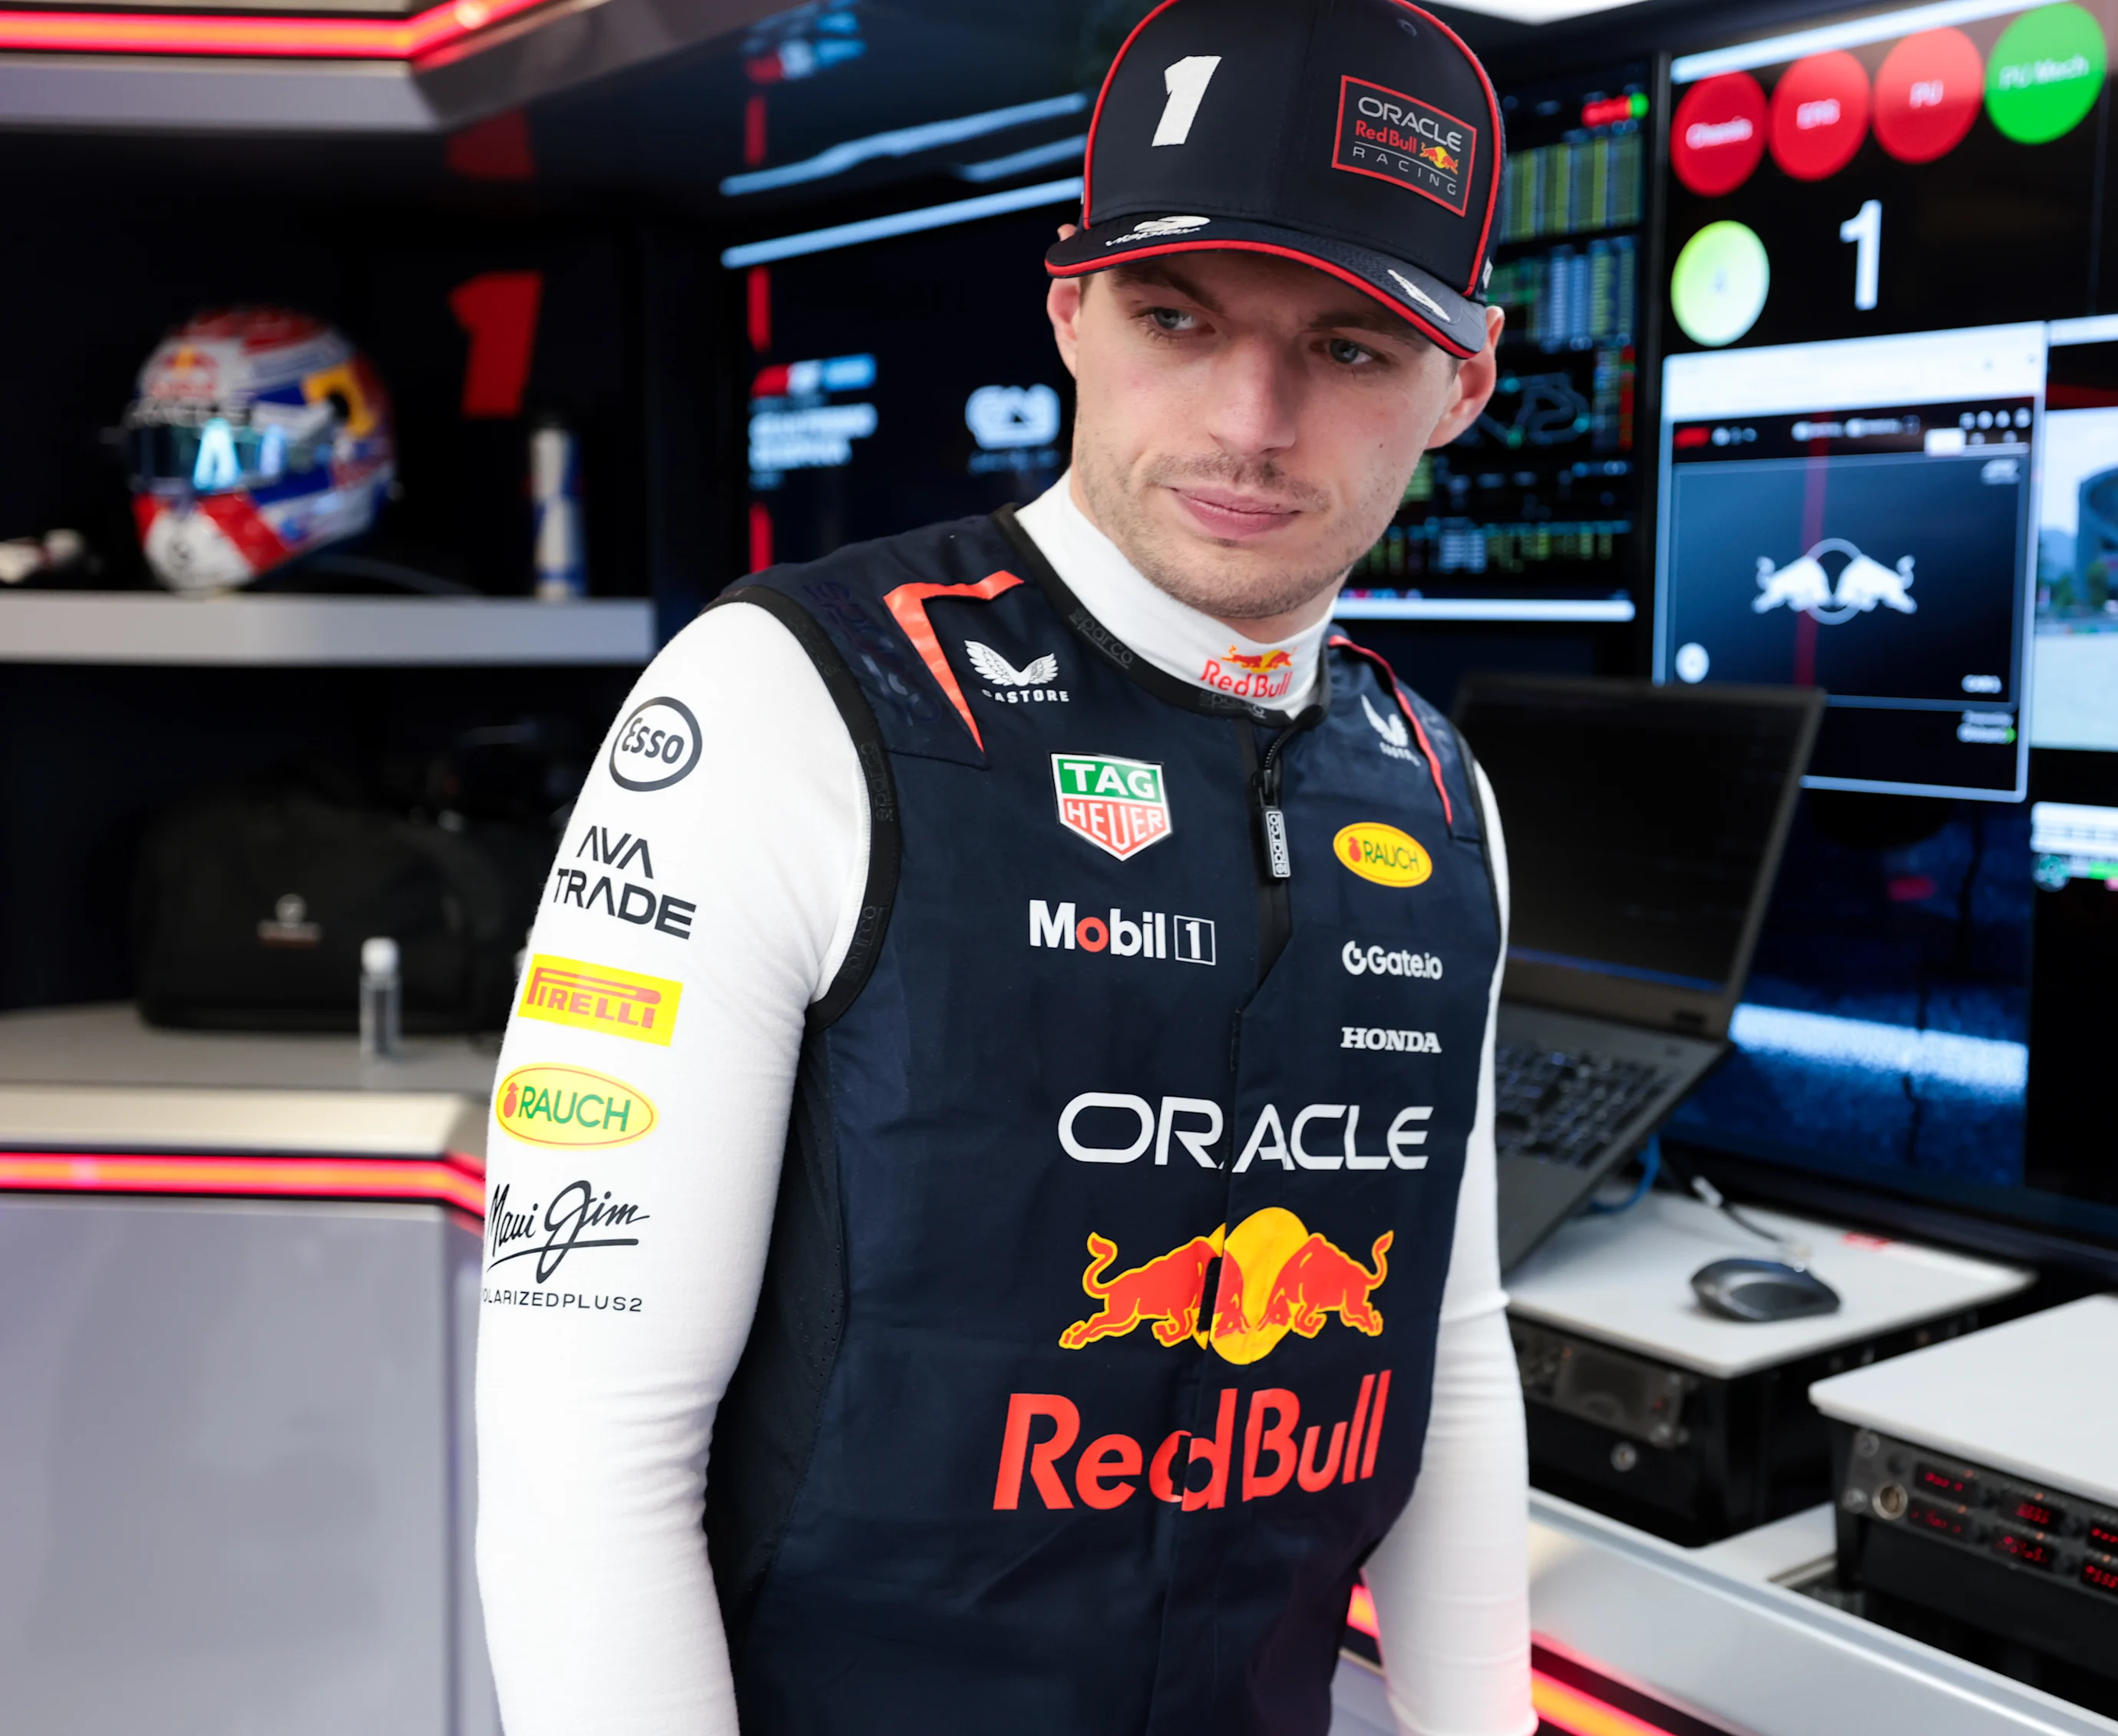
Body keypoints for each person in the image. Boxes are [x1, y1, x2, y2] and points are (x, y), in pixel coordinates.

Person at [474, 1, 1533, 1730]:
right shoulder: (788, 694)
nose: (1252, 419)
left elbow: (1452, 1353)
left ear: (1464, 379)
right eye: (1175, 317)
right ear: (1070, 311)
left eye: (1348, 347)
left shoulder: (1437, 789)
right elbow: (582, 1447)